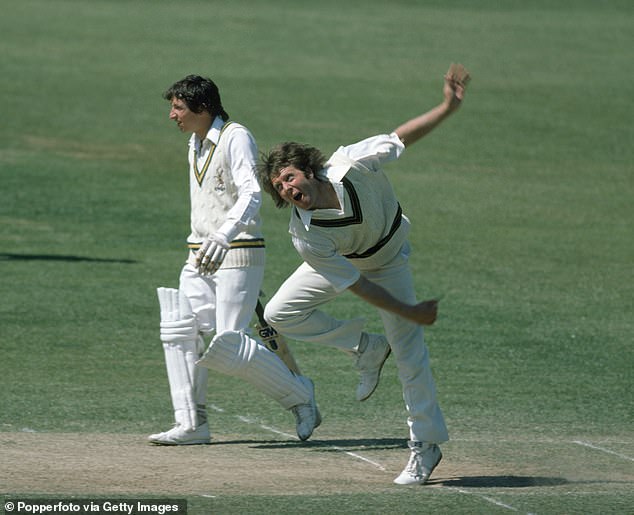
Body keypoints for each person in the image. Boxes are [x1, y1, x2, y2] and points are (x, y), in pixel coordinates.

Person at [257, 64, 470, 485]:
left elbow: (401, 138)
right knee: (279, 314)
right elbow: (357, 286)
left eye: (289, 177)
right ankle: (365, 348)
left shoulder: (352, 162)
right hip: (350, 264)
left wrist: (447, 107)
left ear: (308, 169)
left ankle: (425, 445)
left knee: (408, 352)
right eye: (279, 188)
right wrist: (408, 309)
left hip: (388, 259)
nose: (287, 189)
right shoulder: (305, 234)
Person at [149, 75, 320, 446]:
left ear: (202, 108)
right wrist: (208, 240)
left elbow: (252, 194)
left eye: (178, 108)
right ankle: (191, 424)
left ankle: (300, 395)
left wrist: (223, 236)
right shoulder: (194, 143)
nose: (172, 115)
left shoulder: (235, 136)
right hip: (199, 252)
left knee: (229, 344)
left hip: (238, 249)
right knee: (179, 327)